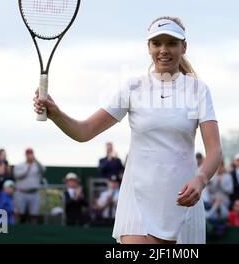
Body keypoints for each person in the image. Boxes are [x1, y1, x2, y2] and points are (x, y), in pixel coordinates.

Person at [33, 16, 222, 244]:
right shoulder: (133, 87)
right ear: (148, 48)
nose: (164, 49)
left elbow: (214, 151)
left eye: (171, 43)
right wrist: (56, 114)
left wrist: (200, 180)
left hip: (183, 198)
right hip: (137, 200)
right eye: (157, 43)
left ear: (184, 47)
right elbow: (84, 132)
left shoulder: (198, 90)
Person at [13, 148, 46, 223]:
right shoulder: (20, 165)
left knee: (34, 215)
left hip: (34, 193)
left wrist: (35, 160)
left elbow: (43, 170)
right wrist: (27, 168)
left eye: (31, 153)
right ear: (25, 155)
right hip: (21, 192)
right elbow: (17, 176)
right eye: (28, 154)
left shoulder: (37, 165)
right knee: (19, 214)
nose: (29, 155)